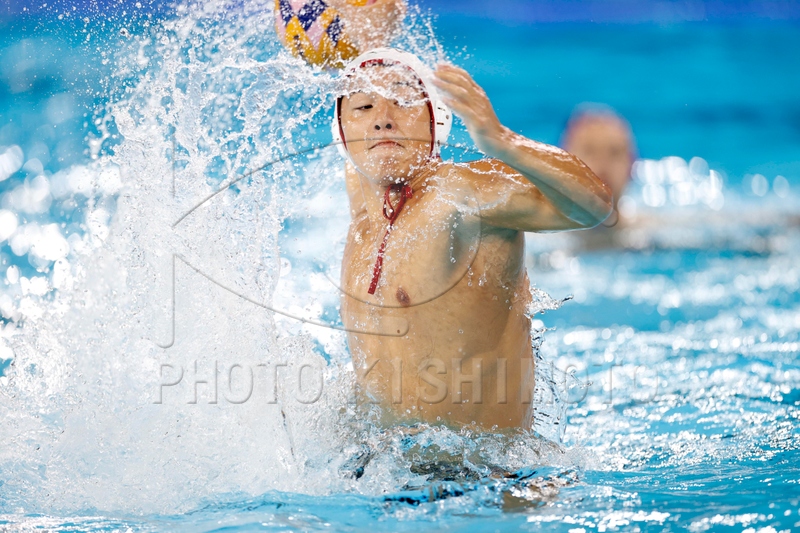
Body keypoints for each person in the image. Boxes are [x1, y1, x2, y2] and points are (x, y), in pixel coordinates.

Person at [334, 49, 611, 430]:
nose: (382, 118)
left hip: (484, 464)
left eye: (403, 101)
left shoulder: (461, 194)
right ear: (342, 135)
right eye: (364, 106)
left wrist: (502, 140)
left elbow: (594, 208)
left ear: (436, 121)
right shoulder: (365, 214)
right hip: (382, 461)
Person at [561, 104, 636, 231]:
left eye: (614, 152)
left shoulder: (655, 231)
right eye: (589, 151)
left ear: (631, 166)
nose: (603, 164)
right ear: (564, 166)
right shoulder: (538, 237)